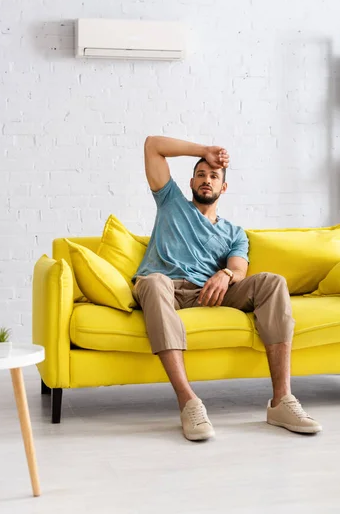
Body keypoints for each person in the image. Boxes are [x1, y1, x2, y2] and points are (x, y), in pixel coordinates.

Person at [132, 136, 322, 441]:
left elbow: (238, 268)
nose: (207, 180)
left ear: (224, 187)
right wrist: (205, 152)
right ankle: (188, 402)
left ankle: (282, 401)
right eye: (202, 175)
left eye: (214, 176)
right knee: (153, 282)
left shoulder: (234, 233)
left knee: (272, 282)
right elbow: (152, 145)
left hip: (206, 291)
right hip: (163, 287)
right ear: (191, 181)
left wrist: (225, 274)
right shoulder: (170, 202)